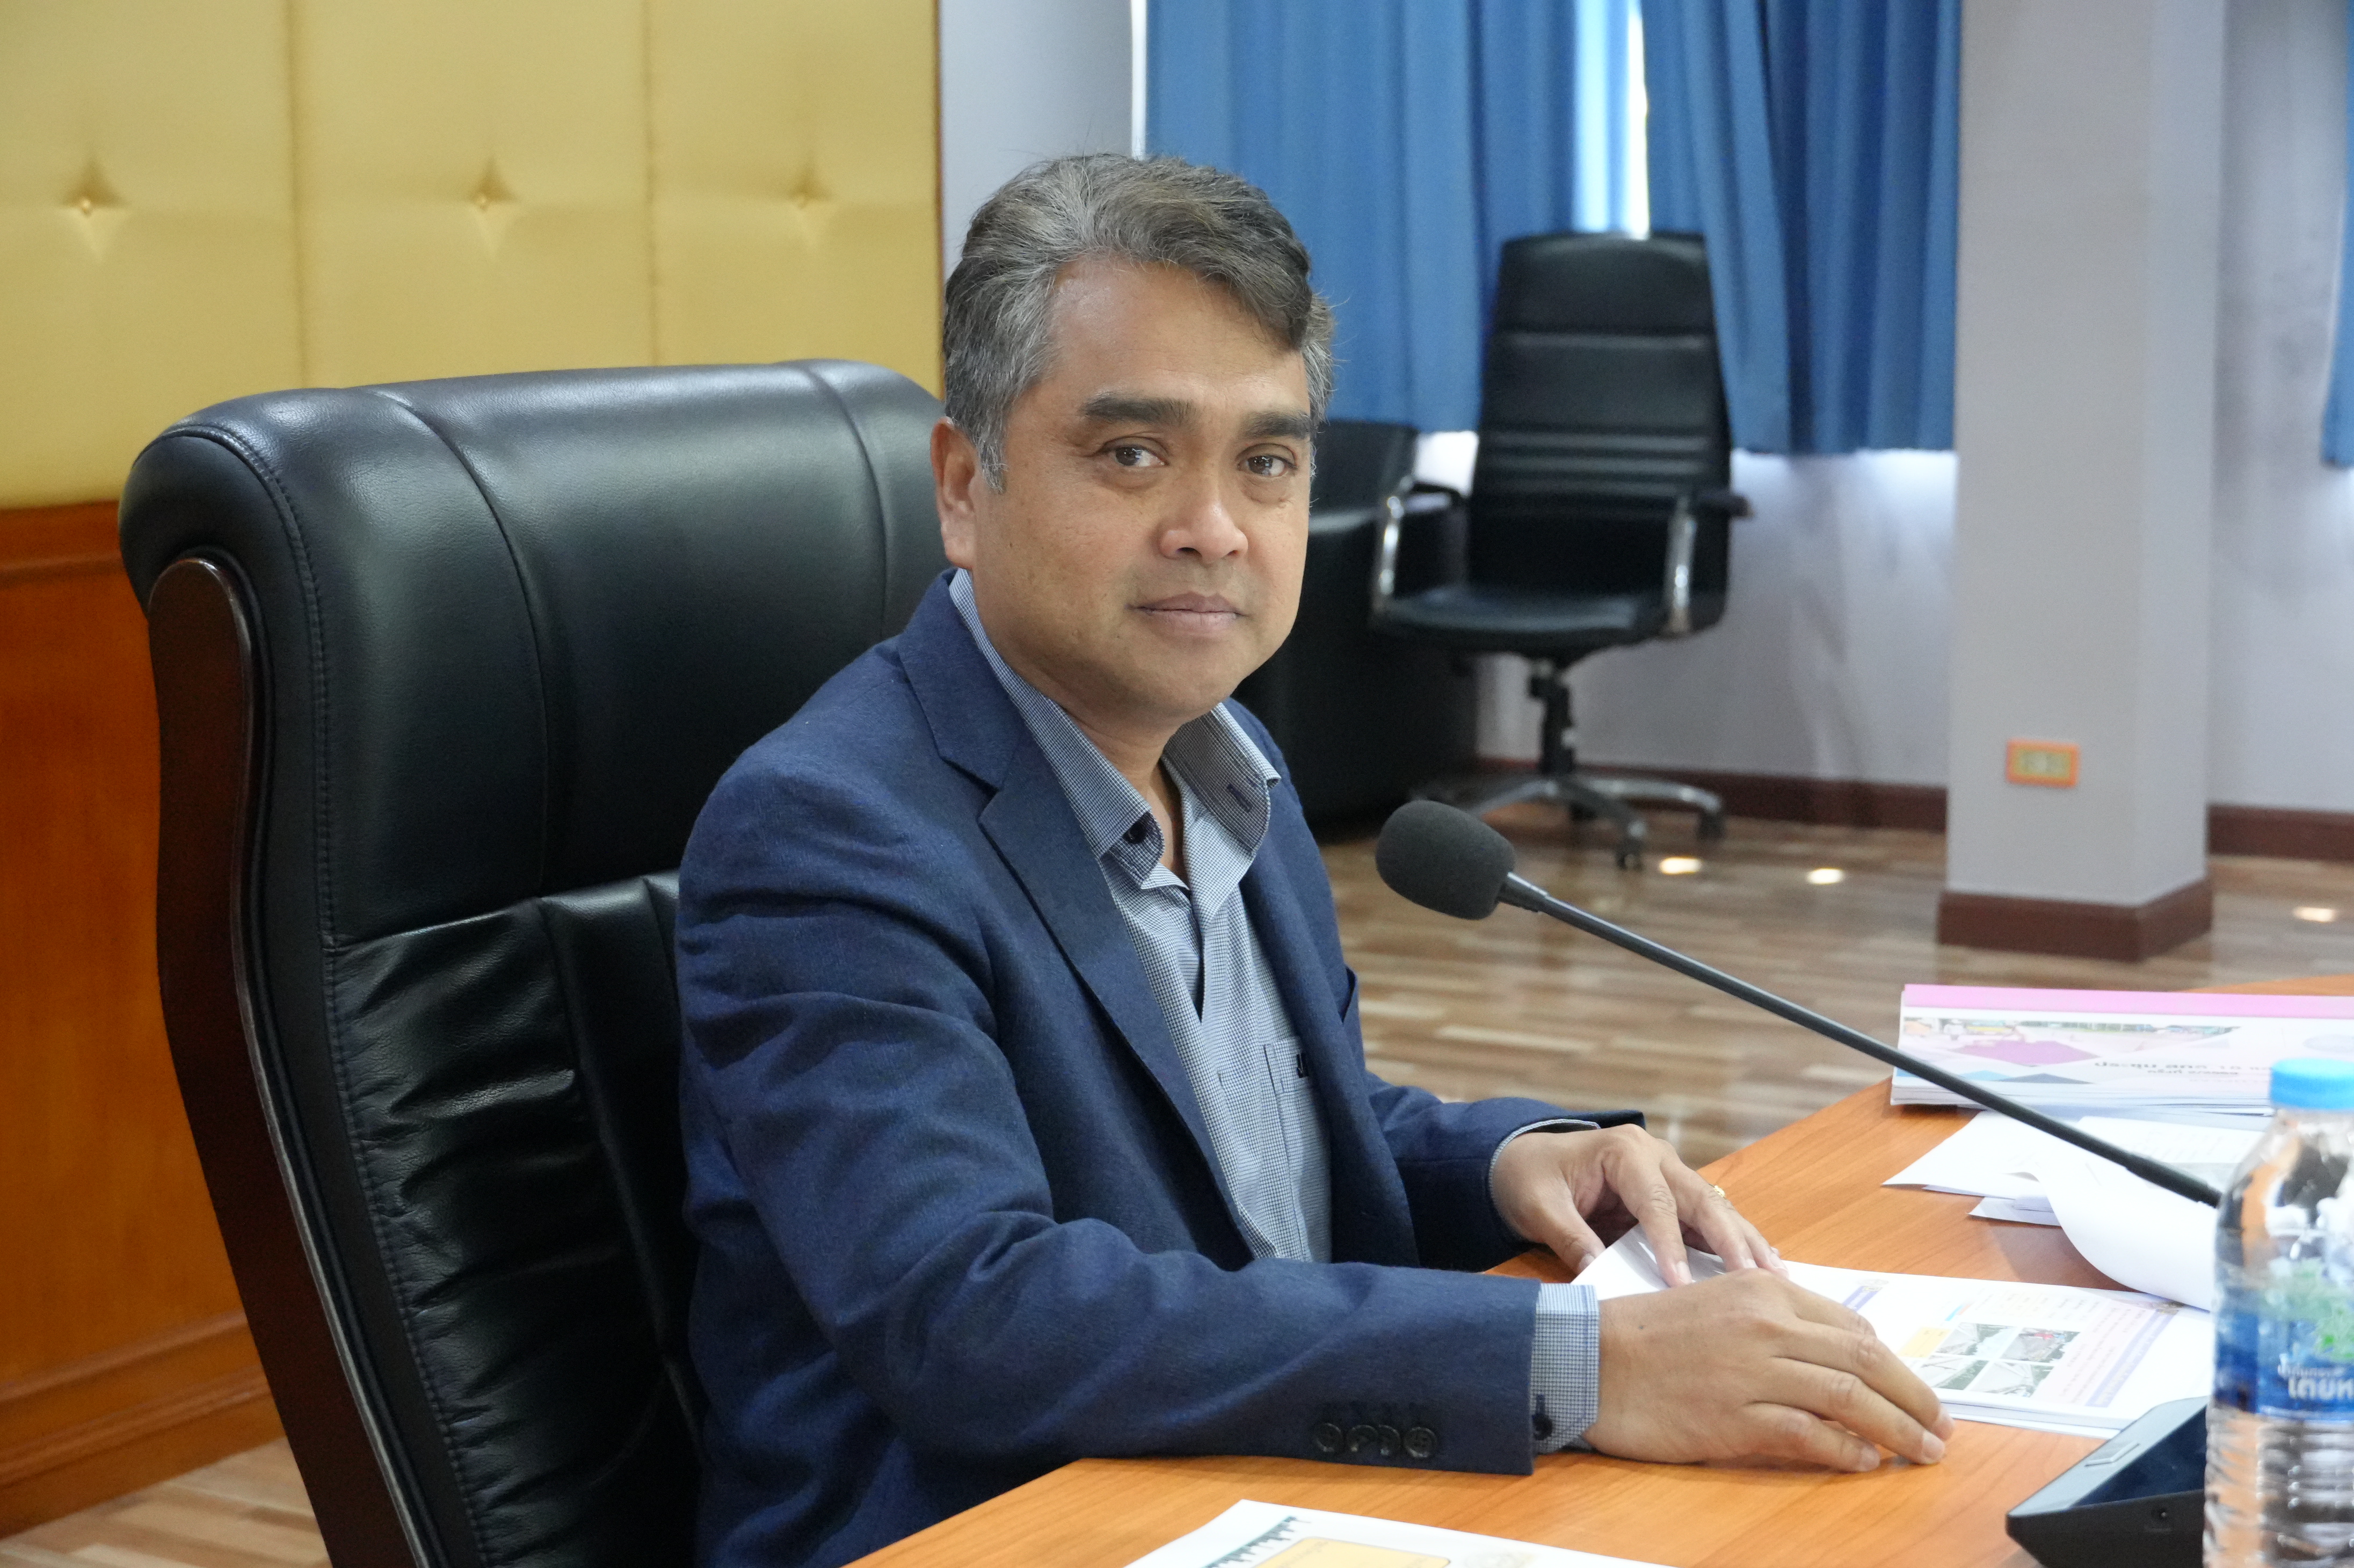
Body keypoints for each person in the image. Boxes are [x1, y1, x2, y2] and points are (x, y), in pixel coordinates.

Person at [674, 154, 1951, 1568]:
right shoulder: (829, 828)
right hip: (997, 1530)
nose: (1214, 529)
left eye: (1267, 463)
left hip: (1246, 1487)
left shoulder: (1229, 766)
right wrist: (1584, 1367)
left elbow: (1264, 1142)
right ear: (967, 487)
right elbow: (975, 1317)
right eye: (1132, 454)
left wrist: (1511, 1159)